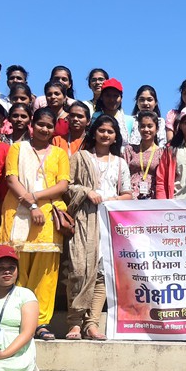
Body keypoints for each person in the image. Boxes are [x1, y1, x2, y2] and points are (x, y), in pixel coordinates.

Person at [0, 109, 70, 338]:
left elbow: (63, 185)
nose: (44, 129)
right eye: (40, 124)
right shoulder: (18, 148)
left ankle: (40, 322)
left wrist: (35, 198)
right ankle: (15, 319)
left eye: (49, 126)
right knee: (17, 269)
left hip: (47, 217)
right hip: (18, 212)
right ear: (32, 125)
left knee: (46, 274)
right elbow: (11, 179)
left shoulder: (59, 153)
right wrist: (31, 205)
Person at [64, 115, 132, 340]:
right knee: (79, 269)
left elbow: (128, 194)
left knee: (103, 272)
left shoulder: (120, 163)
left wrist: (112, 199)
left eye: (110, 132)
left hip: (109, 221)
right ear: (93, 132)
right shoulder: (80, 157)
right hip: (85, 218)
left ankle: (92, 323)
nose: (105, 134)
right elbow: (67, 186)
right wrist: (86, 192)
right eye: (101, 130)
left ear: (115, 136)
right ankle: (75, 322)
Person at [124, 110, 163, 199]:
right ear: (138, 128)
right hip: (131, 198)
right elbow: (123, 175)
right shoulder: (130, 150)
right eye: (142, 126)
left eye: (150, 126)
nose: (146, 129)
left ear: (157, 129)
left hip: (153, 198)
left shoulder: (161, 152)